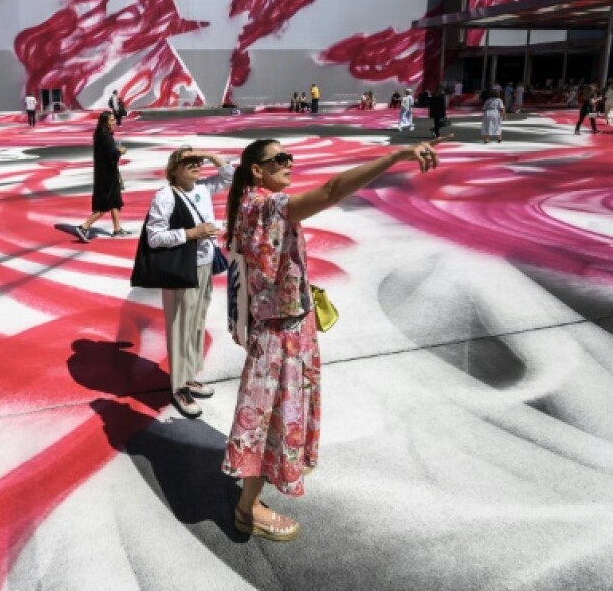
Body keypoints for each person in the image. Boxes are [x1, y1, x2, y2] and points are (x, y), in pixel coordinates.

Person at [223, 136, 441, 541]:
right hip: (280, 334)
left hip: (282, 328)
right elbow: (331, 190)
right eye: (279, 159)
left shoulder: (247, 204)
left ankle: (250, 500)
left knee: (268, 416)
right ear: (257, 170)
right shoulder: (266, 204)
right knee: (267, 418)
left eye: (289, 157)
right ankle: (247, 508)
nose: (289, 163)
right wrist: (394, 156)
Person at [145, 146, 234, 418]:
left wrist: (210, 155)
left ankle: (190, 375)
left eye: (198, 162)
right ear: (174, 169)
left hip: (204, 264)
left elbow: (229, 175)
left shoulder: (204, 188)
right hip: (181, 269)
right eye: (188, 162)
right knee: (180, 326)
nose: (196, 165)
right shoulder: (165, 196)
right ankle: (178, 385)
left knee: (196, 324)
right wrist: (192, 233)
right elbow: (154, 237)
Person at [75, 111, 129, 241]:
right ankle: (84, 227)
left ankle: (117, 229)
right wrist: (120, 151)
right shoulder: (106, 138)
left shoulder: (100, 136)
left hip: (105, 174)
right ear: (105, 123)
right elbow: (112, 158)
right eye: (111, 120)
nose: (114, 122)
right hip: (107, 176)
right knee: (105, 204)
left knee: (115, 200)